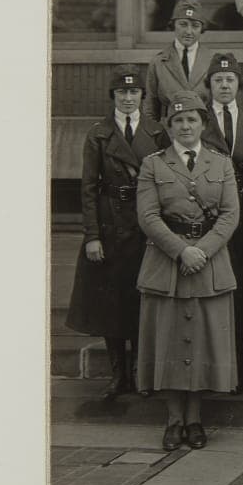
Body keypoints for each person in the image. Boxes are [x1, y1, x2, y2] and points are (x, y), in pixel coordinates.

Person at [135, 91, 240, 451]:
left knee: (202, 341)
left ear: (203, 124)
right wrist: (182, 251)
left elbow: (230, 215)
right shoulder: (153, 164)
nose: (185, 126)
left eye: (192, 120)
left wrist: (202, 251)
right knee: (168, 337)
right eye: (178, 120)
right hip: (167, 263)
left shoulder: (221, 163)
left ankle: (195, 419)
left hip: (209, 264)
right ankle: (173, 419)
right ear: (168, 125)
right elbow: (147, 216)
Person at [67, 65, 169, 400]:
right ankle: (118, 374)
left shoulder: (156, 132)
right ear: (113, 96)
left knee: (141, 299)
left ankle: (141, 372)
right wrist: (92, 236)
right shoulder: (99, 133)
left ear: (143, 96)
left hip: (144, 225)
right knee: (110, 303)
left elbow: (165, 183)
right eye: (122, 93)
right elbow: (87, 188)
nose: (128, 98)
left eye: (134, 92)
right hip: (110, 226)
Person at [200, 53, 243, 391]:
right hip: (208, 221)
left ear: (239, 85)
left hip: (242, 222)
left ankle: (236, 369)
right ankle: (210, 369)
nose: (224, 86)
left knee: (239, 291)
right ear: (209, 85)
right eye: (218, 80)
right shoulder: (196, 123)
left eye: (230, 80)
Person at [145, 0, 213, 122]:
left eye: (195, 26)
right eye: (183, 24)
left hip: (204, 131)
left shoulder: (212, 61)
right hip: (168, 132)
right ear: (173, 25)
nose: (189, 31)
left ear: (202, 29)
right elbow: (150, 108)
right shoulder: (159, 62)